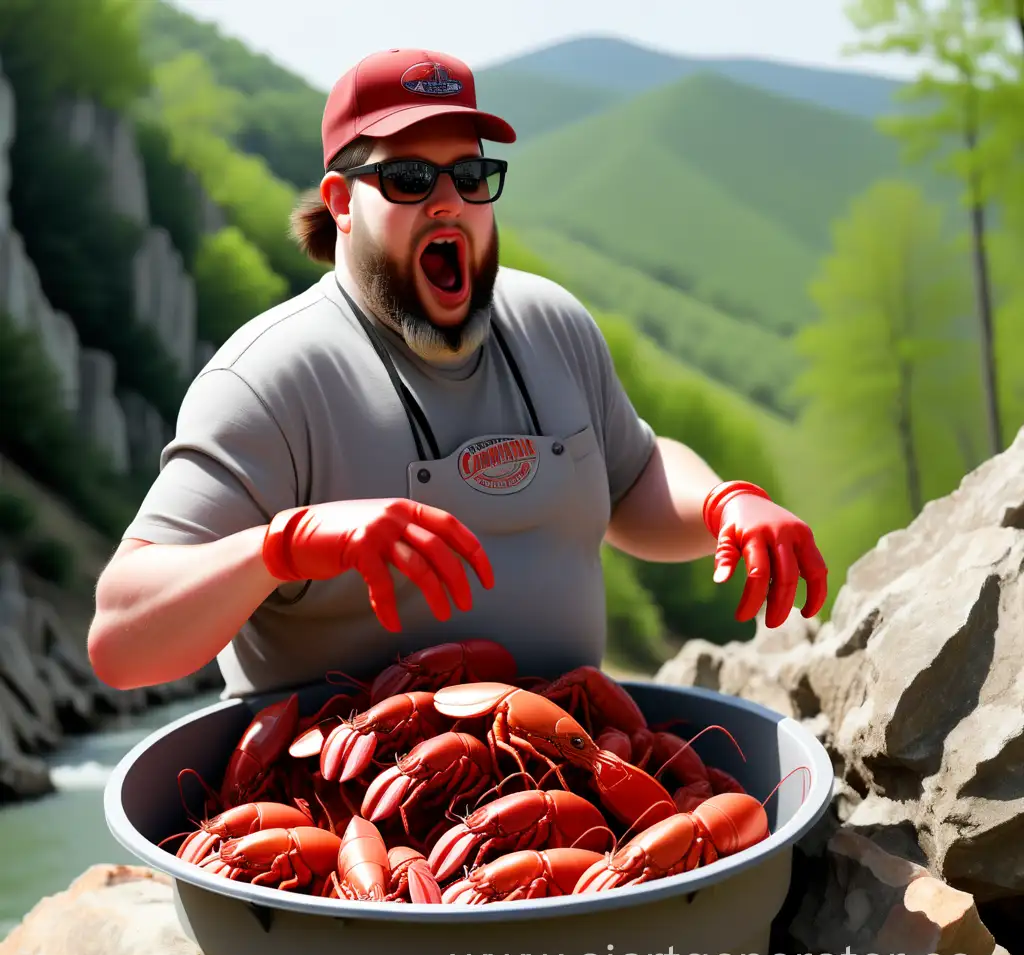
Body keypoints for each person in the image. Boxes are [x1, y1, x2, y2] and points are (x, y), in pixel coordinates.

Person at [86, 48, 827, 698]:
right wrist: (282, 544)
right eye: (408, 177)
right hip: (344, 813)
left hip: (566, 776)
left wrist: (726, 504)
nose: (449, 200)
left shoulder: (553, 322)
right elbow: (120, 641)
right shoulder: (269, 380)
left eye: (470, 175)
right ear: (342, 203)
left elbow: (632, 479)